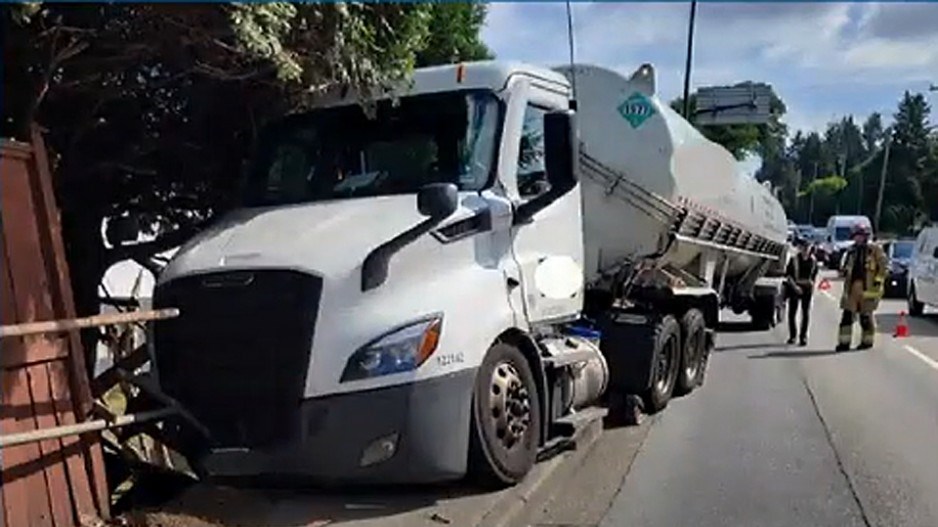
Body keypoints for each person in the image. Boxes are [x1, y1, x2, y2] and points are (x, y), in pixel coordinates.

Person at [836, 224, 888, 351]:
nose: (857, 239)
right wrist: (843, 271)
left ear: (866, 236)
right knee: (847, 316)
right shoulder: (851, 251)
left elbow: (883, 267)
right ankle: (844, 343)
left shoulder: (875, 250)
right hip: (852, 287)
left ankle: (867, 342)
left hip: (869, 288)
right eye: (856, 236)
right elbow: (845, 266)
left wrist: (877, 282)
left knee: (866, 316)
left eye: (860, 236)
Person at [785, 236, 818, 346]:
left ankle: (803, 337)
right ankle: (792, 336)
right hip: (795, 287)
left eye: (807, 247)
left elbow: (814, 277)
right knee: (792, 313)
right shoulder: (794, 260)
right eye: (803, 247)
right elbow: (788, 276)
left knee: (806, 313)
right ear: (800, 248)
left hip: (807, 289)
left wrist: (812, 286)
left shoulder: (813, 261)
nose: (805, 250)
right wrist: (795, 287)